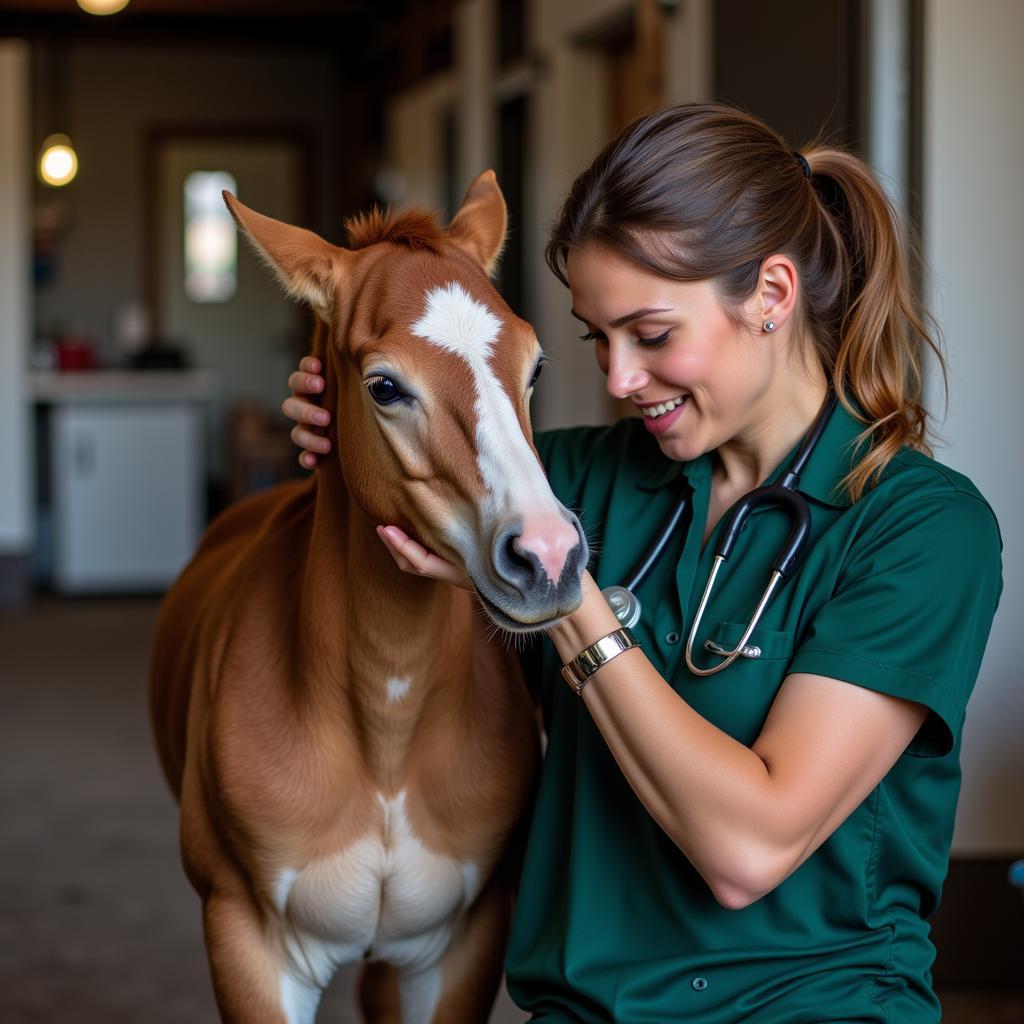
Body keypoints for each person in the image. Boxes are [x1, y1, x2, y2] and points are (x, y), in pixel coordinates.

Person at [281, 103, 1002, 1023]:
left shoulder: (921, 529)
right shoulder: (574, 481)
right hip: (583, 1009)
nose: (618, 379)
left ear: (773, 296)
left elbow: (749, 849)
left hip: (813, 1006)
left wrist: (571, 601)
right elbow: (419, 453)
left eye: (651, 335)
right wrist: (349, 406)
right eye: (596, 337)